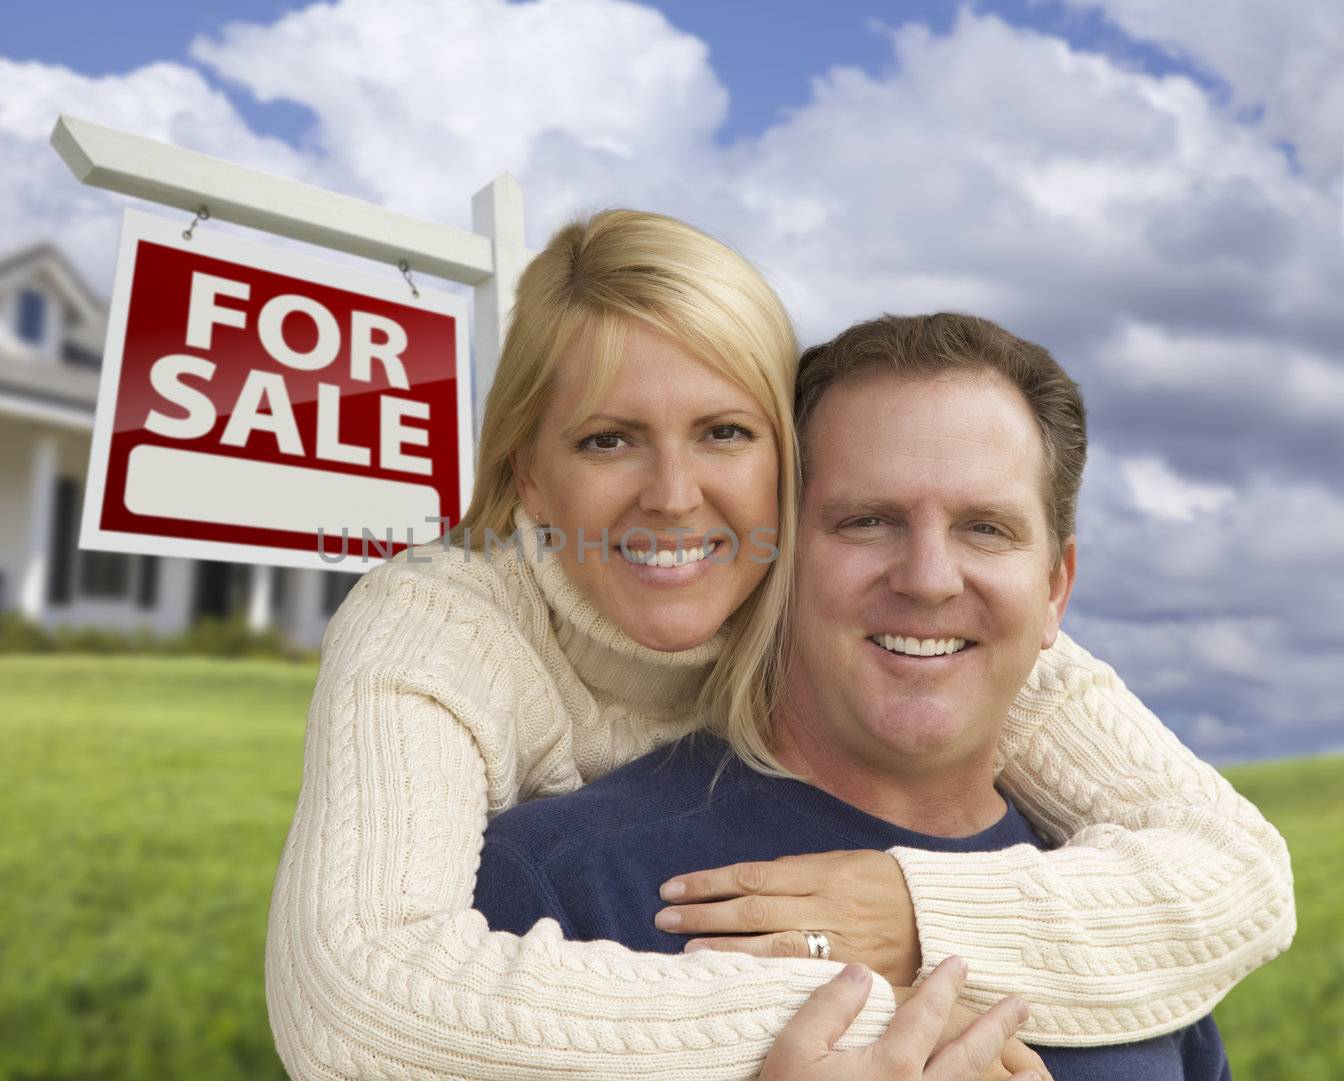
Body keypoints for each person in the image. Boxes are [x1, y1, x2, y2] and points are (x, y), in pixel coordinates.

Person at [266, 211, 1294, 1081]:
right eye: (605, 438)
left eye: (723, 431)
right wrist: (860, 1010)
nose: (675, 497)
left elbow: (1235, 873)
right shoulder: (451, 642)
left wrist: (921, 914)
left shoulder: (968, 654)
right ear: (527, 475)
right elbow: (358, 992)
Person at [472, 312, 1244, 1079]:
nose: (929, 578)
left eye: (985, 528)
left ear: (1054, 590)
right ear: (779, 556)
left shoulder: (1139, 935)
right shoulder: (557, 885)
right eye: (867, 521)